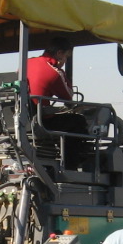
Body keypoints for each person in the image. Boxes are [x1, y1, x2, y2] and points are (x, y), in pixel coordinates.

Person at [26, 38, 90, 167]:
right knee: (78, 122)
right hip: (41, 121)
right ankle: (71, 166)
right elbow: (68, 96)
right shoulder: (53, 72)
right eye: (66, 57)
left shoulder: (27, 63)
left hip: (24, 118)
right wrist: (62, 73)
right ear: (60, 53)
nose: (65, 61)